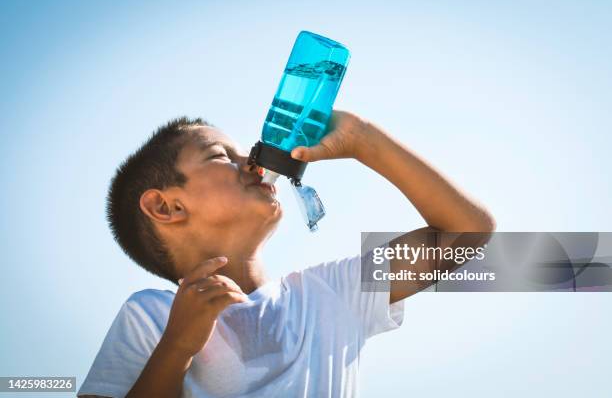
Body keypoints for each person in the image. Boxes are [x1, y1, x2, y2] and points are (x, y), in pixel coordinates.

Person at [78, 110, 495, 397]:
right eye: (223, 156)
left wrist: (363, 139)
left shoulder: (333, 293)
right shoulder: (151, 315)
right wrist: (178, 347)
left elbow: (467, 232)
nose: (256, 163)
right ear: (166, 207)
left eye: (250, 154)